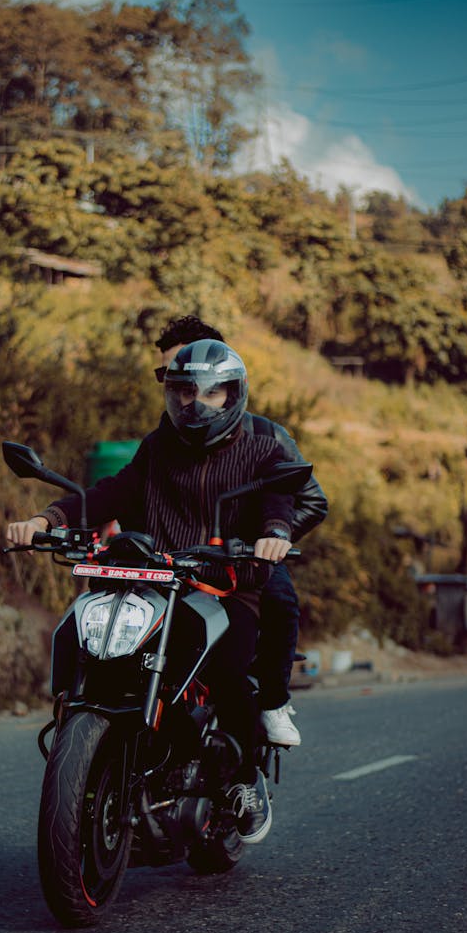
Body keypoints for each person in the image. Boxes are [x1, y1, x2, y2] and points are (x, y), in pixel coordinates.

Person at [7, 339, 299, 844]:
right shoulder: (158, 446)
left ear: (233, 396)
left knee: (227, 670)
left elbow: (278, 499)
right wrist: (45, 518)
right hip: (157, 582)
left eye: (210, 394)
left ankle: (246, 781)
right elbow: (111, 492)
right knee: (98, 646)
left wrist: (273, 535)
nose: (195, 404)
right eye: (185, 392)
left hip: (224, 586)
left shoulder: (262, 447)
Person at [155, 316, 328, 747]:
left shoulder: (267, 438)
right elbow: (139, 494)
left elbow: (308, 500)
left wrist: (268, 540)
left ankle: (272, 703)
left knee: (281, 598)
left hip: (247, 560)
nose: (184, 384)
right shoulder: (165, 437)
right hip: (185, 564)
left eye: (197, 374)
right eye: (169, 375)